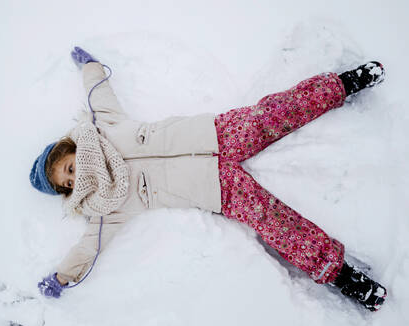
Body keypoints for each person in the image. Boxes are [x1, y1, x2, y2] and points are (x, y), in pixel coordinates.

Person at [30, 46, 387, 311]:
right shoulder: (105, 205)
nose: (76, 179)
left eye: (69, 168)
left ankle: (341, 85)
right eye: (69, 185)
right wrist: (63, 276)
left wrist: (90, 66)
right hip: (218, 190)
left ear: (70, 149)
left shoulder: (102, 127)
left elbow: (98, 94)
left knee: (272, 113)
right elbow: (87, 248)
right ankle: (339, 273)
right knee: (274, 222)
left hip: (215, 135)